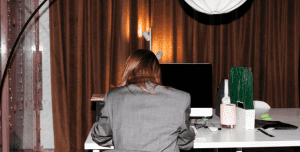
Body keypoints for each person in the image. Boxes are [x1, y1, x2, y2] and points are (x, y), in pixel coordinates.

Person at [91, 49, 196, 152]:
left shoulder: (112, 96)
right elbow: (185, 142)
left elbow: (100, 137)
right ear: (157, 70)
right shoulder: (181, 97)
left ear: (129, 69)